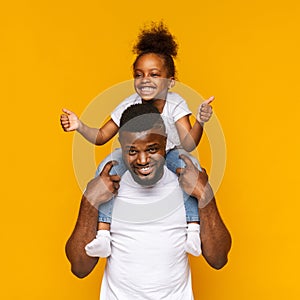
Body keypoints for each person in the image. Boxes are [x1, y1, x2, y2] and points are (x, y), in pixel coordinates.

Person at [61, 21, 214, 258]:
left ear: (170, 81)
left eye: (154, 74)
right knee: (105, 168)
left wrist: (201, 122)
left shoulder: (175, 104)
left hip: (169, 152)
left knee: (192, 169)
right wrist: (79, 126)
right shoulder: (128, 104)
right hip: (132, 154)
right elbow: (102, 137)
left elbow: (189, 144)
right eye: (139, 75)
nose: (145, 80)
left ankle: (193, 231)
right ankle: (103, 234)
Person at [65, 103, 232, 300]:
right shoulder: (107, 185)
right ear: (120, 145)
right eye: (132, 151)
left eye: (152, 149)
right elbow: (80, 267)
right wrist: (89, 201)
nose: (143, 160)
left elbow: (218, 259)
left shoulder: (187, 182)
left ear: (165, 142)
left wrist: (205, 196)